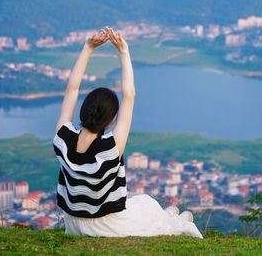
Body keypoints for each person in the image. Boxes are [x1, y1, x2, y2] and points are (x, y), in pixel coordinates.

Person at [53, 26, 202, 238]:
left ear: (83, 109)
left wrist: (88, 47)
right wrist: (123, 51)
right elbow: (129, 95)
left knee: (143, 206)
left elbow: (71, 89)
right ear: (111, 120)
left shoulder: (62, 139)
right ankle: (176, 220)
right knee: (146, 203)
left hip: (74, 223)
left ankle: (170, 215)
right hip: (106, 224)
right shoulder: (110, 148)